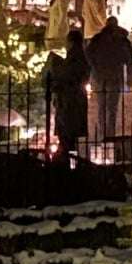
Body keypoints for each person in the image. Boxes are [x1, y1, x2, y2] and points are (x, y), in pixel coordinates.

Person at [87, 13, 132, 148]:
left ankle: (102, 133)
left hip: (99, 76)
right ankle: (110, 135)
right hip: (114, 76)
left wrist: (93, 69)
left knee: (101, 107)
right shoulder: (122, 40)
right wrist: (130, 78)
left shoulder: (97, 39)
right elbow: (130, 61)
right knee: (112, 108)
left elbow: (88, 56)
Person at [45, 26, 89, 163]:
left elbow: (66, 77)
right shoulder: (81, 58)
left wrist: (56, 66)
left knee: (66, 135)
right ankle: (70, 160)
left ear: (71, 42)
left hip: (69, 103)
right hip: (75, 101)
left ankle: (64, 162)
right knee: (71, 137)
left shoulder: (74, 59)